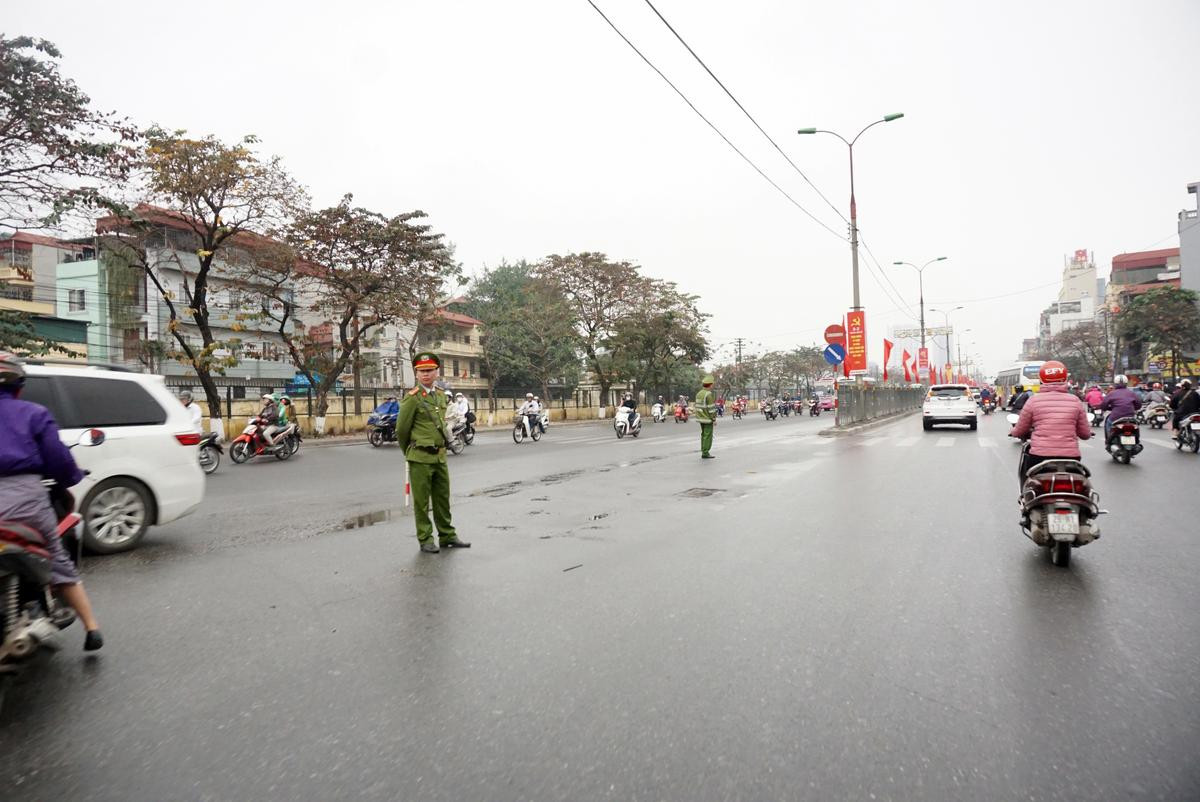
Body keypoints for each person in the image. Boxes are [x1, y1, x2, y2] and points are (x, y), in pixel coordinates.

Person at [0, 352, 104, 650]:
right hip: (25, 500)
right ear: (18, 385)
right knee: (56, 559)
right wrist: (71, 477)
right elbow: (59, 460)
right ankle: (92, 630)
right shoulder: (33, 413)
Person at [397, 353, 468, 553]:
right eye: (422, 371)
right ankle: (425, 538)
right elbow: (401, 431)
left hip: (440, 455)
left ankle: (447, 535)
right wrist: (410, 452)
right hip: (420, 457)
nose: (426, 374)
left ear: (437, 372)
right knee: (422, 502)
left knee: (442, 498)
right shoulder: (412, 398)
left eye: (429, 370)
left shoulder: (439, 395)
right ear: (417, 374)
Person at [1009, 360, 1090, 488]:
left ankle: (1026, 498)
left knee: (1030, 479)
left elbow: (1020, 429)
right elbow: (1085, 434)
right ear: (1065, 379)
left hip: (1040, 456)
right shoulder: (1075, 400)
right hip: (1071, 457)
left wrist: (1014, 432)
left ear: (1041, 379)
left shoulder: (1033, 400)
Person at [1099, 374, 1139, 447]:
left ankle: (1108, 441)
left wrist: (1108, 408)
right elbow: (1138, 405)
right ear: (1126, 383)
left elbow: (1104, 405)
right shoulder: (1132, 393)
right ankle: (1137, 441)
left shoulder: (1111, 393)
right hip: (1130, 417)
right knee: (1136, 426)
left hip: (1115, 417)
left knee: (1108, 423)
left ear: (1115, 384)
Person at [694, 374, 717, 459]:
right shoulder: (708, 394)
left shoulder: (699, 394)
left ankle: (703, 450)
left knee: (703, 435)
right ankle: (705, 452)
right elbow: (711, 409)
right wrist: (714, 419)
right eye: (712, 384)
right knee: (708, 435)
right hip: (707, 418)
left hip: (700, 418)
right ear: (710, 385)